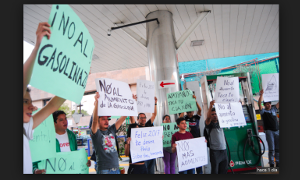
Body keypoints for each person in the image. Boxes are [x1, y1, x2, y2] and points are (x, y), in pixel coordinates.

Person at [23, 22, 67, 174]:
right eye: (25, 101)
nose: (32, 107)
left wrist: (75, 85)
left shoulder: (25, 128)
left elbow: (52, 106)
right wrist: (36, 49)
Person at [90, 92, 127, 174]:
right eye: (103, 119)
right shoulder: (96, 134)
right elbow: (94, 120)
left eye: (108, 119)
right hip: (104, 170)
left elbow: (124, 117)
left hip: (116, 169)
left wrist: (132, 103)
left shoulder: (111, 130)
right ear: (98, 121)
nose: (106, 121)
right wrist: (97, 103)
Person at [179, 94, 203, 174]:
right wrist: (183, 106)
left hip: (197, 140)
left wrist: (195, 101)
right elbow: (179, 118)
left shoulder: (196, 117)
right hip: (188, 142)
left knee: (198, 159)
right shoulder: (185, 118)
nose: (189, 114)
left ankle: (199, 173)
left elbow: (200, 110)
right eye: (188, 112)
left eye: (191, 112)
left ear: (193, 111)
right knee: (190, 159)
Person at [134, 96, 158, 174]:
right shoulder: (135, 127)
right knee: (145, 171)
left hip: (151, 153)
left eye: (144, 117)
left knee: (151, 171)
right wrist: (134, 102)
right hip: (142, 154)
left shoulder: (148, 124)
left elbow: (154, 114)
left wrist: (155, 103)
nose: (143, 119)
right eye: (141, 118)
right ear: (137, 119)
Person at [205, 100, 228, 174]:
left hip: (223, 150)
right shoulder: (209, 125)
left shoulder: (221, 122)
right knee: (215, 171)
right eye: (212, 114)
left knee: (224, 170)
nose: (214, 115)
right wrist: (210, 105)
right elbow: (208, 118)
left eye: (216, 114)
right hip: (215, 151)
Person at [258, 89, 279, 167]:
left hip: (277, 131)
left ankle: (278, 162)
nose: (269, 105)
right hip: (269, 131)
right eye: (267, 104)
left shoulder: (274, 110)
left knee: (278, 148)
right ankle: (271, 163)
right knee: (272, 148)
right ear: (265, 105)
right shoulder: (263, 112)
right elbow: (259, 103)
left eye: (269, 104)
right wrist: (261, 95)